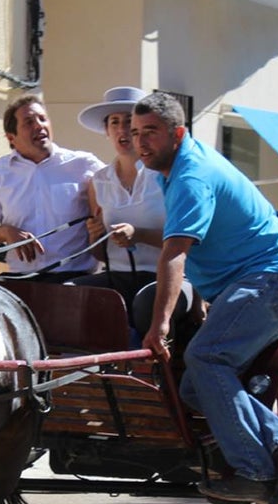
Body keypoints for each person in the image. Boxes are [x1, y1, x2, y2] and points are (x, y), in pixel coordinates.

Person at [131, 91, 278, 504]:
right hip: (254, 284)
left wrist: (160, 325)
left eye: (151, 132)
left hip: (271, 281)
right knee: (193, 388)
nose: (141, 142)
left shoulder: (191, 176)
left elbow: (176, 254)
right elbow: (205, 243)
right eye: (135, 132)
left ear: (177, 134)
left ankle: (255, 469)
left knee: (206, 358)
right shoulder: (174, 171)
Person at [68, 86, 196, 334]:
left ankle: (155, 357)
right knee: (67, 295)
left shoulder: (167, 174)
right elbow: (102, 255)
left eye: (129, 122)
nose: (122, 129)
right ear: (106, 131)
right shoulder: (99, 181)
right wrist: (95, 236)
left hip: (170, 277)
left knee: (147, 302)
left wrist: (138, 234)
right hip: (118, 276)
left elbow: (189, 243)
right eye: (114, 122)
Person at [0, 94, 104, 282]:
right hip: (21, 281)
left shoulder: (84, 165)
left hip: (75, 280)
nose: (39, 126)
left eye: (42, 119)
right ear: (11, 137)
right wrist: (5, 231)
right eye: (29, 122)